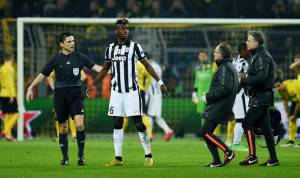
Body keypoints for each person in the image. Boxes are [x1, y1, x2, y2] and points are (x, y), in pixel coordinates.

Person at [86, 18, 167, 167]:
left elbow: (147, 66)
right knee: (117, 122)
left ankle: (148, 155)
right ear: (117, 31)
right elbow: (105, 69)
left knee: (138, 122)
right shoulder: (110, 48)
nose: (126, 31)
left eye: (127, 28)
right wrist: (93, 84)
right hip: (116, 91)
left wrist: (160, 82)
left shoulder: (135, 47)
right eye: (123, 28)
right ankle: (118, 158)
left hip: (131, 91)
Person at [26, 32, 103, 166]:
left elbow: (96, 67)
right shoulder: (55, 59)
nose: (72, 43)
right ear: (62, 44)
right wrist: (31, 87)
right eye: (69, 41)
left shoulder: (79, 57)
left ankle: (80, 156)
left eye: (73, 41)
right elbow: (43, 74)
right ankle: (65, 158)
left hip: (76, 94)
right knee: (63, 128)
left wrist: (111, 70)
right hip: (60, 96)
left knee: (79, 125)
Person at [239, 31, 279, 166]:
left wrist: (244, 80)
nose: (246, 42)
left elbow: (262, 78)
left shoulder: (261, 56)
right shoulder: (258, 55)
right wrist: (245, 76)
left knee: (246, 123)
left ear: (256, 42)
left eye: (248, 40)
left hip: (261, 95)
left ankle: (252, 156)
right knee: (266, 129)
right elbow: (259, 75)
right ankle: (273, 159)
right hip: (262, 95)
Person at [200, 43, 239, 167]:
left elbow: (224, 88)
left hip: (220, 105)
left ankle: (228, 152)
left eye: (216, 52)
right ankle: (216, 161)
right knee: (207, 132)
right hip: (223, 104)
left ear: (221, 55)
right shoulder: (229, 66)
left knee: (206, 132)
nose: (213, 54)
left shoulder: (224, 68)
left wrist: (208, 96)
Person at [145, 54, 173, 141]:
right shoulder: (157, 66)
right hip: (158, 93)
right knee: (155, 115)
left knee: (148, 114)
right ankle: (168, 130)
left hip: (151, 93)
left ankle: (149, 135)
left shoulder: (148, 66)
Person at [230, 42, 251, 151]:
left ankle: (236, 142)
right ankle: (236, 143)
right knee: (241, 119)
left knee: (242, 119)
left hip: (234, 94)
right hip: (240, 93)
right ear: (243, 51)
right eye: (248, 49)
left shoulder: (234, 61)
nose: (249, 51)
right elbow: (242, 80)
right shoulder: (243, 63)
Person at [192, 50, 212, 137]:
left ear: (207, 57)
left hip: (210, 92)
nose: (202, 57)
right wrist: (194, 93)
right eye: (201, 56)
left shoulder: (211, 67)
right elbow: (196, 81)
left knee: (211, 112)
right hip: (200, 93)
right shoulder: (197, 68)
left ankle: (212, 132)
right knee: (202, 113)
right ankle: (204, 132)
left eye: (204, 56)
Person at [275, 79, 300, 148]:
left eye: (278, 86)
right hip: (296, 100)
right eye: (276, 87)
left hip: (298, 100)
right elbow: (284, 99)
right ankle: (291, 141)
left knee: (293, 117)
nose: (278, 88)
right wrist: (287, 113)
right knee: (291, 119)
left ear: (282, 83)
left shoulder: (290, 87)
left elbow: (299, 102)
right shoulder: (280, 90)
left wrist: (294, 115)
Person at [0, 53, 18, 141]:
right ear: (11, 59)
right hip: (9, 94)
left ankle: (8, 136)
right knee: (16, 114)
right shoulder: (10, 68)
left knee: (7, 114)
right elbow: (9, 83)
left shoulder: (2, 68)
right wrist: (12, 96)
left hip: (2, 93)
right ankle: (6, 130)